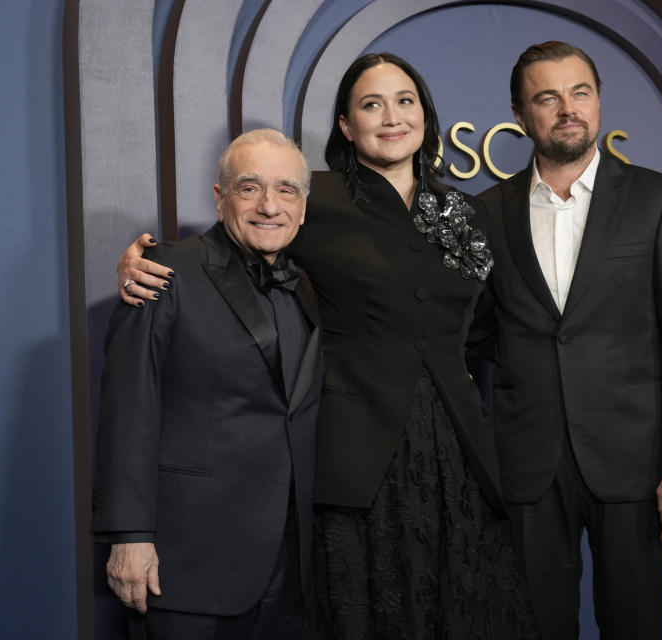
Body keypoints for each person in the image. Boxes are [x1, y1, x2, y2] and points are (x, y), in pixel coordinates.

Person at [115, 53, 537, 639]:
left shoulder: (462, 212)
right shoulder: (313, 197)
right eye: (371, 104)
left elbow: (489, 327)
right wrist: (143, 259)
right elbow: (238, 246)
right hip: (356, 457)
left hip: (456, 452)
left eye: (405, 100)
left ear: (425, 113)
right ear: (345, 125)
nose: (391, 117)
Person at [473, 41, 662, 639]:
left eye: (580, 93)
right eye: (547, 97)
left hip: (633, 466)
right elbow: (471, 343)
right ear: (520, 112)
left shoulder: (657, 199)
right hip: (528, 467)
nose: (567, 109)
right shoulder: (484, 213)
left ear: (598, 101)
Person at [92, 128, 322, 639]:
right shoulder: (164, 271)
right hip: (187, 561)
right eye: (249, 187)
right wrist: (129, 536)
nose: (269, 205)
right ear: (220, 198)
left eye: (286, 190)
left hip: (292, 567)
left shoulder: (309, 283)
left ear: (304, 207)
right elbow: (129, 408)